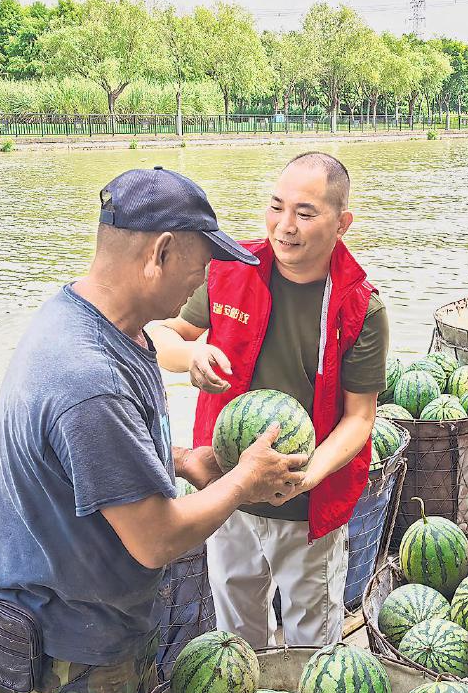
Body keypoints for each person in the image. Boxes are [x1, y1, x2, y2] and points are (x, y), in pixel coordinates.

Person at [0, 166, 307, 693]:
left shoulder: (100, 321)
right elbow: (156, 538)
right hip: (71, 652)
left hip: (94, 628)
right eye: (200, 264)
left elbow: (99, 462)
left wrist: (183, 461)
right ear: (159, 252)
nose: (203, 282)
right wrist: (242, 481)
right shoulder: (86, 378)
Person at [151, 152, 389, 648]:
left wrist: (309, 474)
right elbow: (161, 334)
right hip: (226, 492)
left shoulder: (360, 306)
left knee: (311, 644)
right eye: (276, 207)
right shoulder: (229, 271)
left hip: (307, 510)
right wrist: (192, 355)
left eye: (305, 213)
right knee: (235, 638)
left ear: (341, 224)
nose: (285, 226)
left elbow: (359, 417)